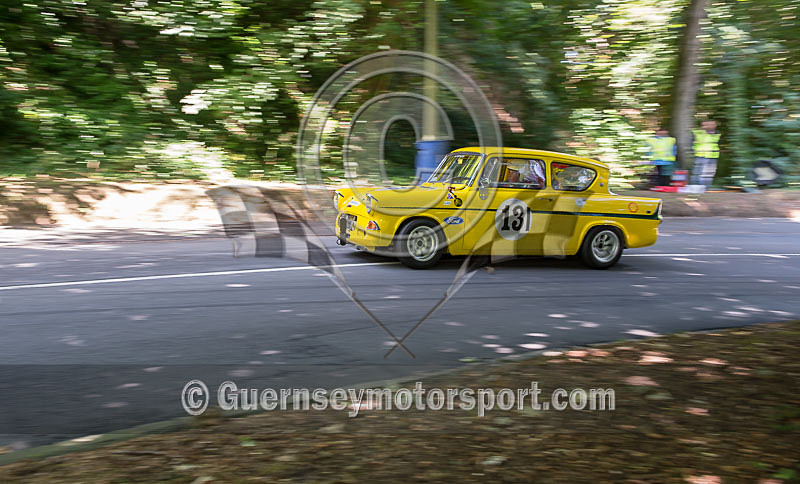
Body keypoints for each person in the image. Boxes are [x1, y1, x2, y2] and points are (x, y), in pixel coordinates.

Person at [692, 120, 721, 186]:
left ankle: (705, 189)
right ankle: (695, 188)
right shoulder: (698, 133)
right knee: (697, 173)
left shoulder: (717, 134)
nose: (709, 126)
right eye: (708, 124)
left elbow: (718, 144)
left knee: (708, 174)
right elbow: (691, 143)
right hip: (700, 155)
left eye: (712, 124)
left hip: (712, 156)